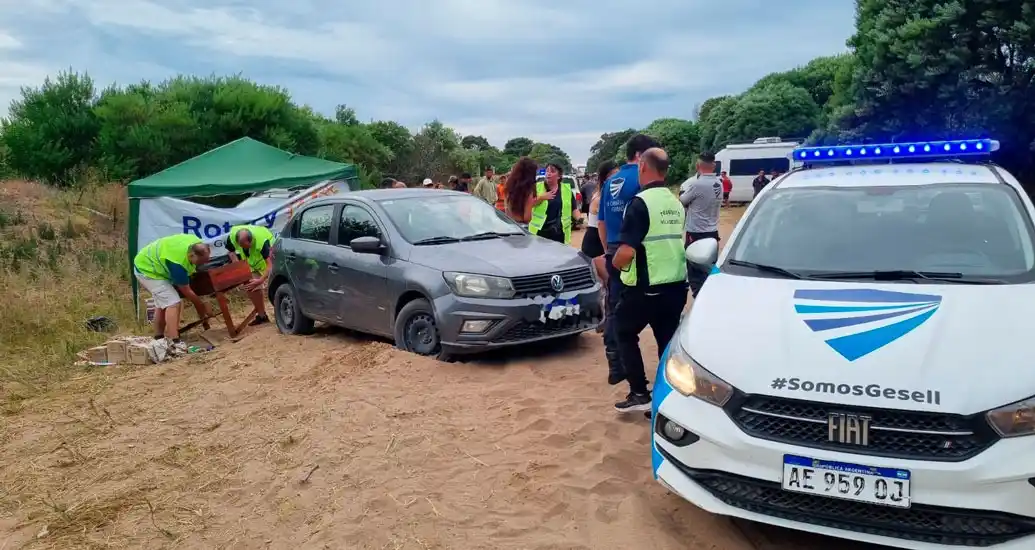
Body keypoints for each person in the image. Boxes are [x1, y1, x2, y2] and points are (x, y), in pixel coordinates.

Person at [611, 148, 688, 413]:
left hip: (646, 286)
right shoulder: (675, 202)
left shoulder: (640, 202)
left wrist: (615, 264)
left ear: (643, 166)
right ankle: (669, 396)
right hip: (676, 285)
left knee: (623, 331)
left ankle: (639, 392)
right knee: (667, 342)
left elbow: (627, 250)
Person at [598, 133, 660, 386]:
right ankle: (638, 374)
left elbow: (601, 223)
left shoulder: (611, 182)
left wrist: (609, 252)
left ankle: (615, 364)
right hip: (634, 251)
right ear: (640, 156)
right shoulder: (643, 179)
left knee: (614, 309)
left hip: (613, 249)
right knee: (648, 313)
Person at [133, 234, 212, 354]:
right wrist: (201, 307)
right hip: (147, 270)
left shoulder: (196, 243)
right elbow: (187, 291)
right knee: (173, 302)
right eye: (199, 262)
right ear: (191, 255)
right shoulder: (178, 264)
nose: (200, 265)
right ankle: (174, 341)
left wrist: (201, 309)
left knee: (162, 304)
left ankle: (159, 338)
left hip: (149, 262)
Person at [680, 151, 723, 297]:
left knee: (695, 274)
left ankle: (700, 302)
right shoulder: (719, 183)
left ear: (698, 166)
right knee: (709, 271)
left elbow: (682, 200)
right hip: (713, 233)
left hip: (696, 235)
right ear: (714, 165)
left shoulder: (696, 184)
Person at [225, 224, 276, 325]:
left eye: (245, 246)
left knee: (275, 286)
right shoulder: (232, 236)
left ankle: (281, 312)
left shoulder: (263, 243)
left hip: (268, 260)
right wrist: (238, 266)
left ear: (251, 240)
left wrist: (261, 280)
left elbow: (271, 265)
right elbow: (230, 252)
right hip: (251, 263)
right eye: (240, 246)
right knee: (250, 286)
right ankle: (262, 316)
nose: (242, 248)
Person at [528, 163, 579, 244]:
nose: (548, 173)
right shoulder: (537, 187)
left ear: (559, 176)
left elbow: (574, 208)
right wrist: (541, 198)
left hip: (559, 232)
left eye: (552, 171)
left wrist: (579, 219)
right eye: (547, 171)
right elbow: (528, 205)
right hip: (540, 232)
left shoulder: (567, 190)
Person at [581, 161, 615, 259]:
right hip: (596, 241)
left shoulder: (602, 194)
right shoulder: (600, 198)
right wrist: (606, 249)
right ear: (604, 178)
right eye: (613, 175)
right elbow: (602, 223)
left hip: (598, 238)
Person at [505, 157, 539, 224]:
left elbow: (507, 209)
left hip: (510, 223)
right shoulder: (528, 190)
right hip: (522, 225)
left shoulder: (510, 185)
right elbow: (527, 217)